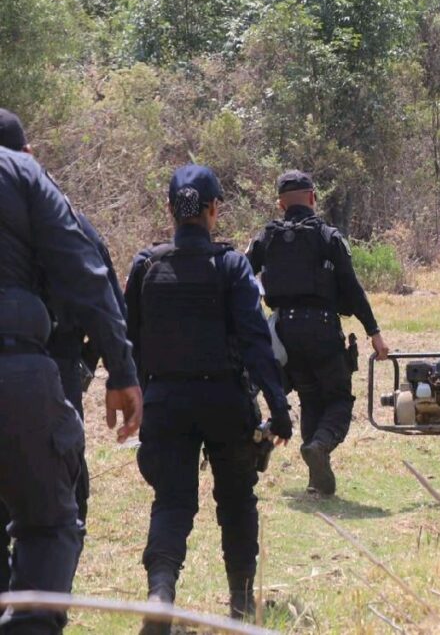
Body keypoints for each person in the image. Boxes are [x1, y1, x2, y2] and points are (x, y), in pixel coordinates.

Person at [123, 165, 292, 630]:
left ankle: (160, 595)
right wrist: (279, 408)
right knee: (237, 500)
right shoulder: (231, 264)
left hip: (165, 401)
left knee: (172, 502)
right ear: (215, 209)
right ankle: (239, 604)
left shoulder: (146, 265)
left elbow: (129, 341)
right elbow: (257, 342)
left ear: (170, 211)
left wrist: (142, 396)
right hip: (225, 402)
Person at [0, 110, 142, 634]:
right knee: (51, 523)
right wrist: (121, 370)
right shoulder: (25, 176)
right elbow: (91, 277)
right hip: (27, 376)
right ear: (28, 152)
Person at [246, 170, 390, 497]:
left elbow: (241, 278)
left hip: (282, 331)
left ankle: (314, 471)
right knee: (338, 397)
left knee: (310, 395)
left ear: (280, 204)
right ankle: (320, 445)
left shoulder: (265, 239)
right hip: (322, 328)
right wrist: (374, 332)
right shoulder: (328, 236)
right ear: (313, 197)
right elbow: (352, 290)